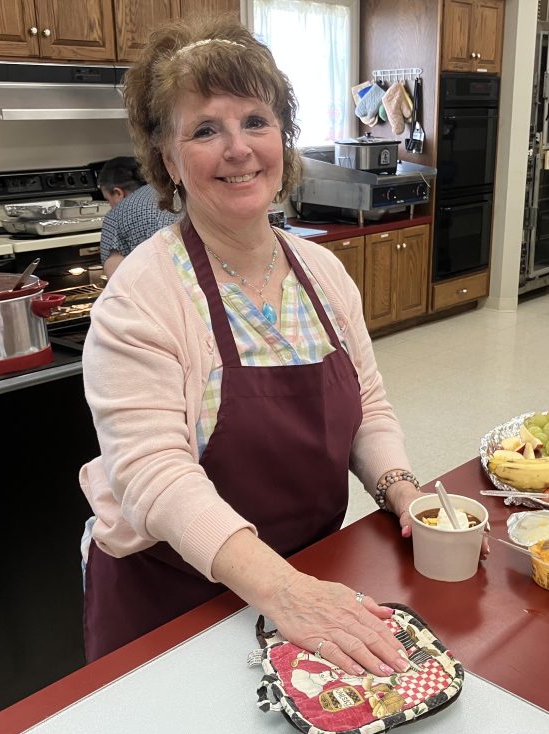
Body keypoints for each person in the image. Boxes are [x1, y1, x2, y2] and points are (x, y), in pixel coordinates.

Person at [78, 16, 425, 676]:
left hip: (307, 580)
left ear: (283, 140)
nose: (238, 149)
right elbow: (157, 477)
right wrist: (286, 593)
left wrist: (402, 491)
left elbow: (368, 412)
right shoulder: (142, 296)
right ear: (169, 160)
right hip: (173, 604)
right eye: (206, 130)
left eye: (256, 122)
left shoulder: (323, 274)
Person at [97, 155, 180, 277]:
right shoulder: (172, 192)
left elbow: (116, 274)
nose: (110, 205)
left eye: (108, 199)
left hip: (157, 285)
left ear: (118, 193)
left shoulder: (115, 216)